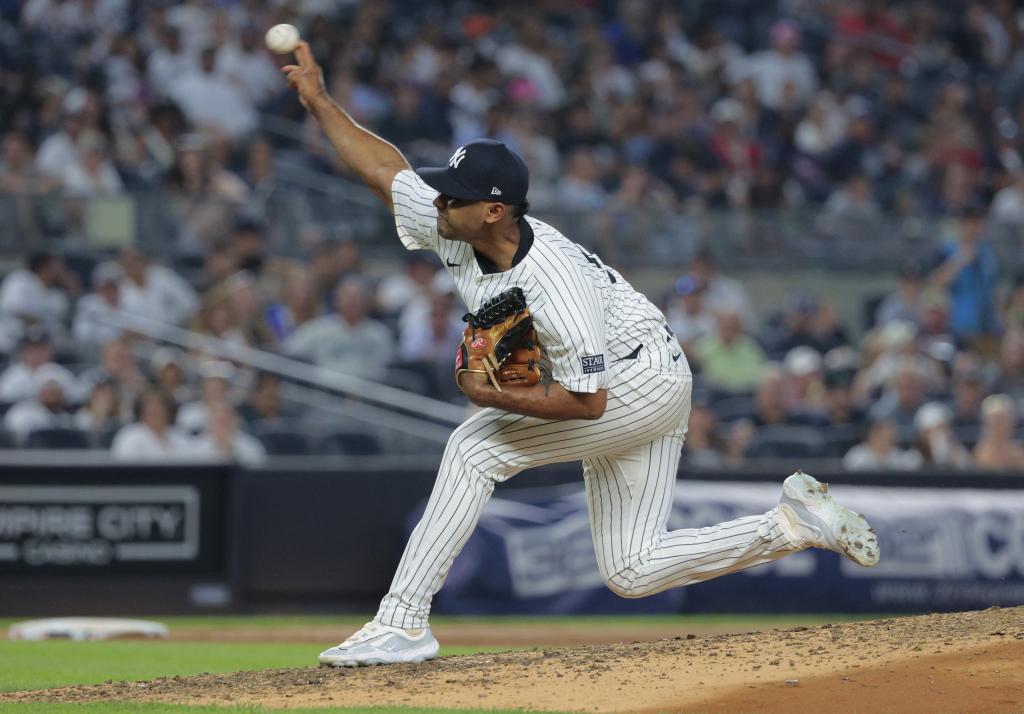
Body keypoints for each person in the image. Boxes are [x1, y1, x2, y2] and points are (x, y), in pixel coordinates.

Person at [282, 41, 879, 668]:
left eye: (453, 195)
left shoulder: (552, 281)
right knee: (632, 567)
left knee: (474, 446)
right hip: (643, 372)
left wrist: (493, 396)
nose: (438, 201)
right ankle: (791, 526)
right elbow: (384, 170)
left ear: (493, 210)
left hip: (634, 382)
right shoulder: (456, 223)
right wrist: (322, 103)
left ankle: (402, 621)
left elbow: (589, 404)